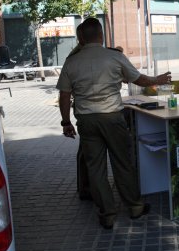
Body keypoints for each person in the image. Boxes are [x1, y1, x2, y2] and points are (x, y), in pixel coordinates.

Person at [57, 17, 172, 229]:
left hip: (87, 120)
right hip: (112, 117)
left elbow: (64, 96)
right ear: (101, 35)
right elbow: (139, 79)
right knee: (122, 161)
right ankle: (135, 207)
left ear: (80, 37)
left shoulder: (71, 62)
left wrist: (66, 122)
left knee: (95, 168)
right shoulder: (114, 57)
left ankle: (107, 213)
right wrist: (158, 80)